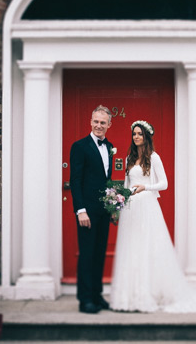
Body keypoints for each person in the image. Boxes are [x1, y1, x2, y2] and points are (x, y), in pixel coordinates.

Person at [109, 120, 196, 313]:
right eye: (134, 134)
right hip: (131, 207)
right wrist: (119, 201)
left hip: (146, 204)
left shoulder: (154, 157)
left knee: (148, 247)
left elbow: (164, 183)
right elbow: (128, 185)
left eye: (140, 134)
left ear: (146, 136)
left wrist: (146, 186)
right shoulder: (129, 158)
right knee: (132, 248)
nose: (136, 137)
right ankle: (130, 296)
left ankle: (150, 294)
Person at [69, 105, 114, 314]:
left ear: (109, 125)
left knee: (99, 254)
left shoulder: (110, 147)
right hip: (86, 212)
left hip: (103, 211)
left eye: (103, 122)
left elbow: (105, 180)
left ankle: (97, 295)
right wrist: (81, 210)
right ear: (90, 121)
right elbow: (75, 181)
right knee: (87, 254)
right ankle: (85, 299)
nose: (98, 125)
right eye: (96, 121)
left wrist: (112, 206)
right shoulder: (79, 146)